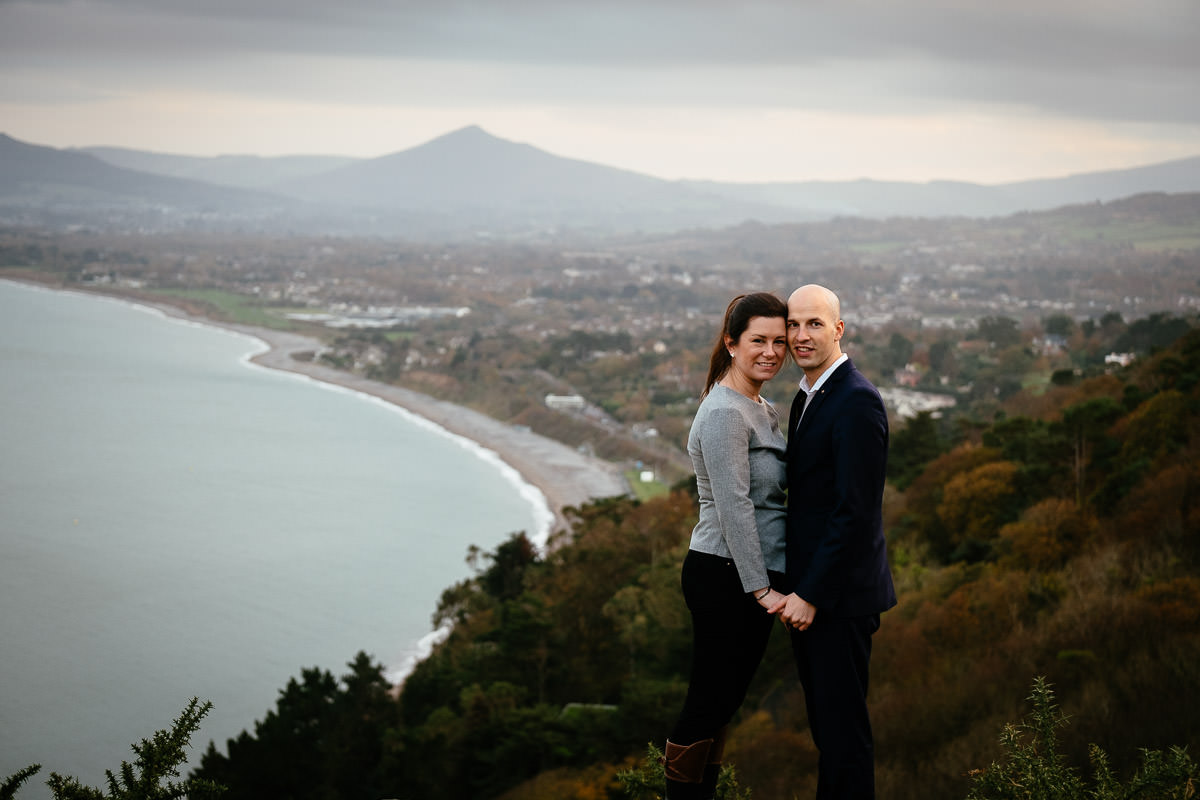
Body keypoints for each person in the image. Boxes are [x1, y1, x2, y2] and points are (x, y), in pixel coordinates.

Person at [769, 284, 897, 799]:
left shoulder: (856, 402)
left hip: (836, 601)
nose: (800, 336)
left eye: (814, 324)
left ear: (838, 329)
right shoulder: (809, 395)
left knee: (844, 736)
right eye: (793, 326)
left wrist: (811, 593)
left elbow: (855, 513)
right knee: (827, 731)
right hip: (815, 596)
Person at [663, 292, 792, 800]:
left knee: (725, 701)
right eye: (758, 340)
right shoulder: (723, 413)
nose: (771, 351)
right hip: (724, 573)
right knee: (708, 700)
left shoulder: (762, 406)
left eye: (779, 341)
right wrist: (760, 591)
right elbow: (736, 505)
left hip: (751, 573)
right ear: (731, 343)